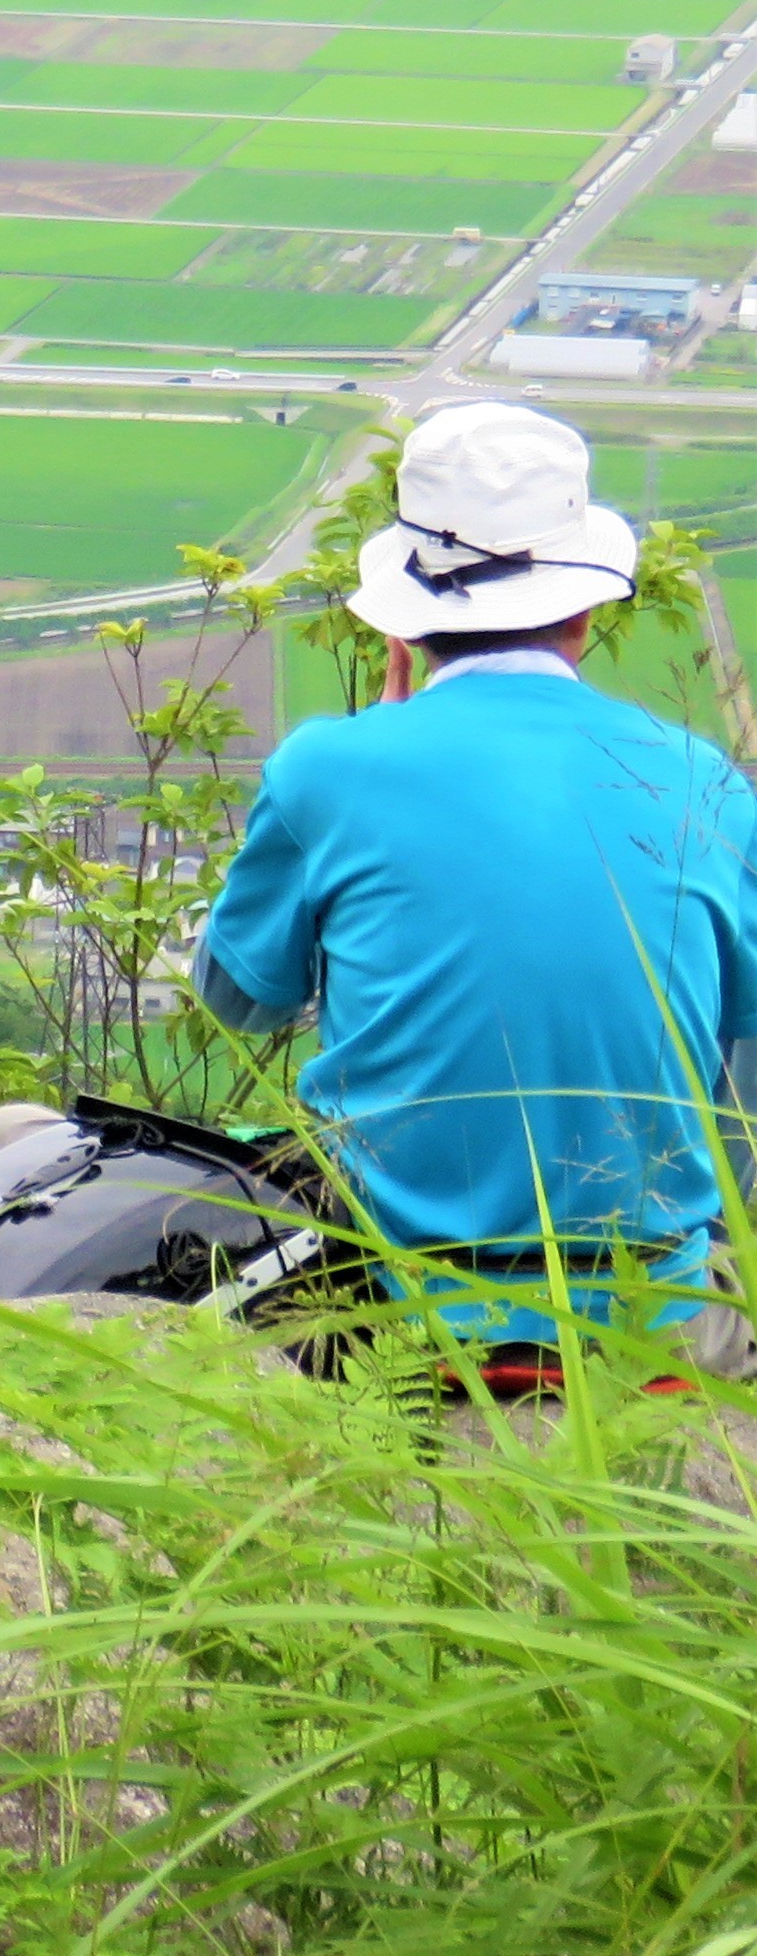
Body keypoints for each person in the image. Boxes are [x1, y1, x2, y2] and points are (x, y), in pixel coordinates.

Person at [195, 399, 757, 1364]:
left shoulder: (327, 768)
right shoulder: (702, 778)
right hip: (650, 1316)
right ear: (584, 604)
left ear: (408, 622)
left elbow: (235, 998)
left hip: (390, 1305)